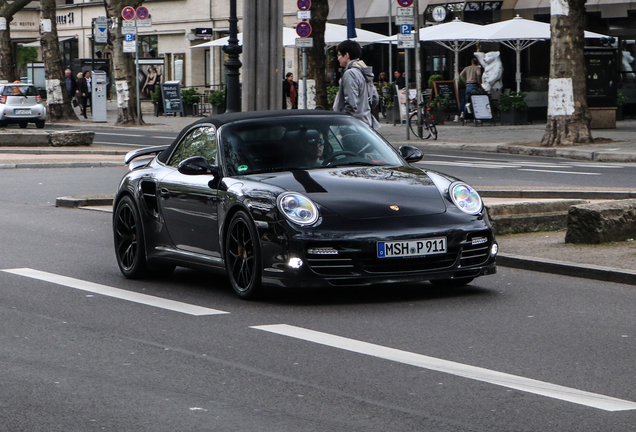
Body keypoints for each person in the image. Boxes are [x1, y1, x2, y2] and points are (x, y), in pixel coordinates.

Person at [333, 40, 380, 130]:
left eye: (339, 55)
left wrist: (344, 123)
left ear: (346, 55)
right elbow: (375, 98)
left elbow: (351, 103)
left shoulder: (350, 73)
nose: (338, 58)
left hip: (352, 125)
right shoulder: (364, 72)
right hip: (366, 122)